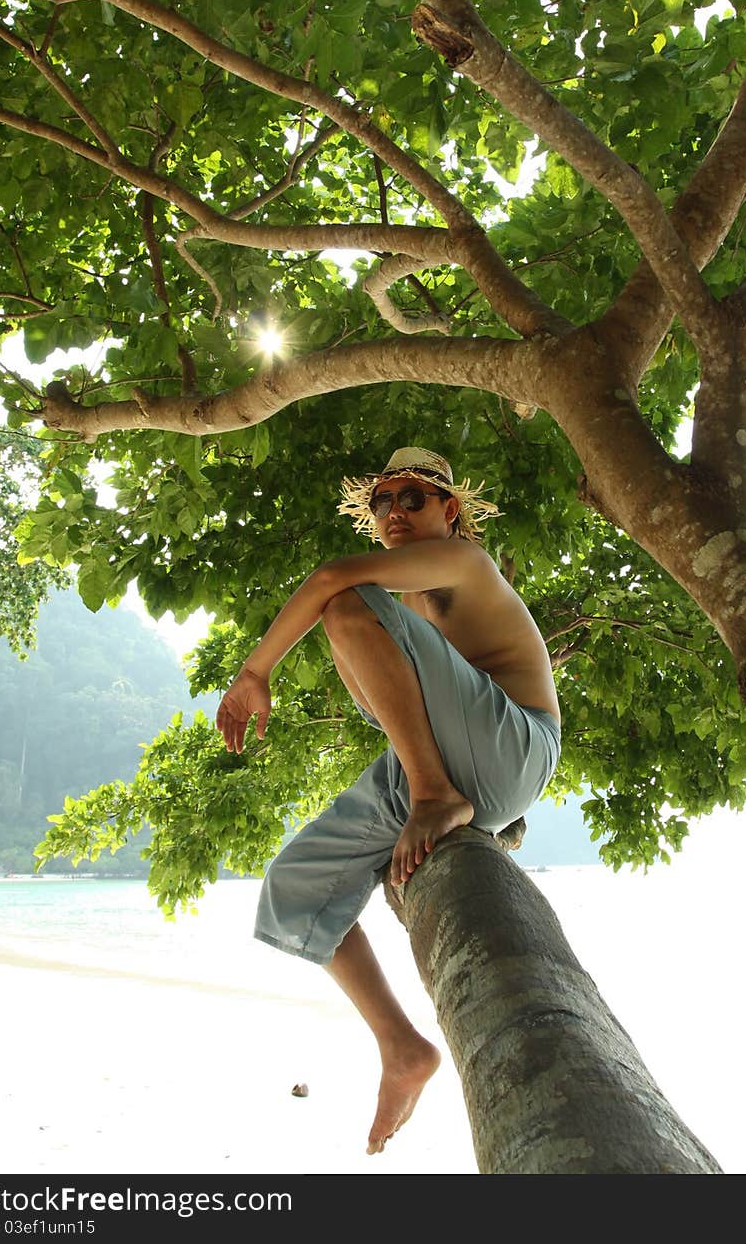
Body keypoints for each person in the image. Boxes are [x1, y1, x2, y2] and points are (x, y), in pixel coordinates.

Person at [216, 447, 561, 1155]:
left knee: (342, 600)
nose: (393, 511)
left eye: (412, 497)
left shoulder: (467, 564)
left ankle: (435, 796)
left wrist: (255, 672)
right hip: (436, 759)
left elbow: (332, 579)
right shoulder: (404, 603)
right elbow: (395, 699)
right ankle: (402, 1048)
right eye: (381, 501)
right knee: (294, 890)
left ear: (449, 511)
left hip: (512, 749)